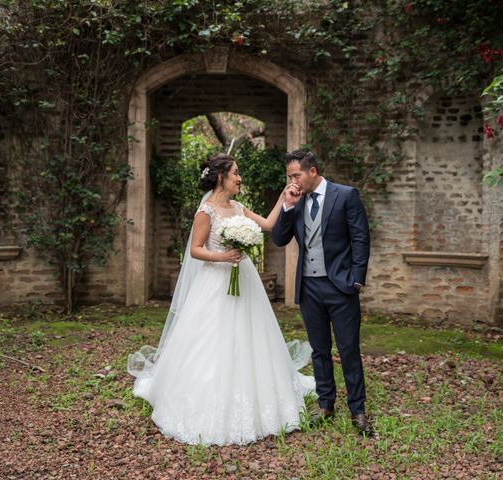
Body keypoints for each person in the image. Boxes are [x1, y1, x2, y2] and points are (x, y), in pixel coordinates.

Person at [127, 152, 315, 446]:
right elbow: (195, 250)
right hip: (214, 282)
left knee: (249, 335)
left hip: (244, 280)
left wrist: (284, 197)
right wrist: (222, 256)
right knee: (211, 338)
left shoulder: (238, 208)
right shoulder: (206, 211)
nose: (240, 178)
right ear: (221, 177)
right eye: (236, 173)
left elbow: (267, 224)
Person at [271, 149, 373, 436]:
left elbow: (361, 238)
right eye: (290, 176)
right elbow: (279, 239)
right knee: (319, 350)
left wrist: (356, 279)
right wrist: (288, 206)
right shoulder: (296, 200)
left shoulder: (345, 195)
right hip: (309, 287)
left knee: (349, 349)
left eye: (296, 175)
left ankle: (358, 410)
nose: (292, 181)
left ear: (312, 171)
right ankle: (326, 404)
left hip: (340, 286)